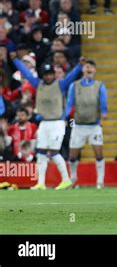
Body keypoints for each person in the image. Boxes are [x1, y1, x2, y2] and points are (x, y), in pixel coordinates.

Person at [10, 51, 85, 190]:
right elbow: (26, 73)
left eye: (50, 73)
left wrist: (80, 66)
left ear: (53, 74)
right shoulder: (38, 84)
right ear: (43, 75)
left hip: (57, 123)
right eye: (46, 74)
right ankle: (41, 183)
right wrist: (16, 62)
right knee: (41, 153)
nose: (48, 76)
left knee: (54, 152)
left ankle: (66, 180)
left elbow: (71, 76)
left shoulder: (61, 84)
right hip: (44, 123)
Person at [66, 59, 108, 189]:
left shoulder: (100, 85)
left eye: (91, 67)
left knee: (99, 153)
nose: (89, 69)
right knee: (73, 155)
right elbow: (69, 103)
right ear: (83, 69)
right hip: (78, 125)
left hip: (94, 125)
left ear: (95, 70)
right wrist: (64, 116)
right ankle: (73, 178)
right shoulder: (75, 85)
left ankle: (100, 181)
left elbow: (103, 100)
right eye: (86, 67)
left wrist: (104, 112)